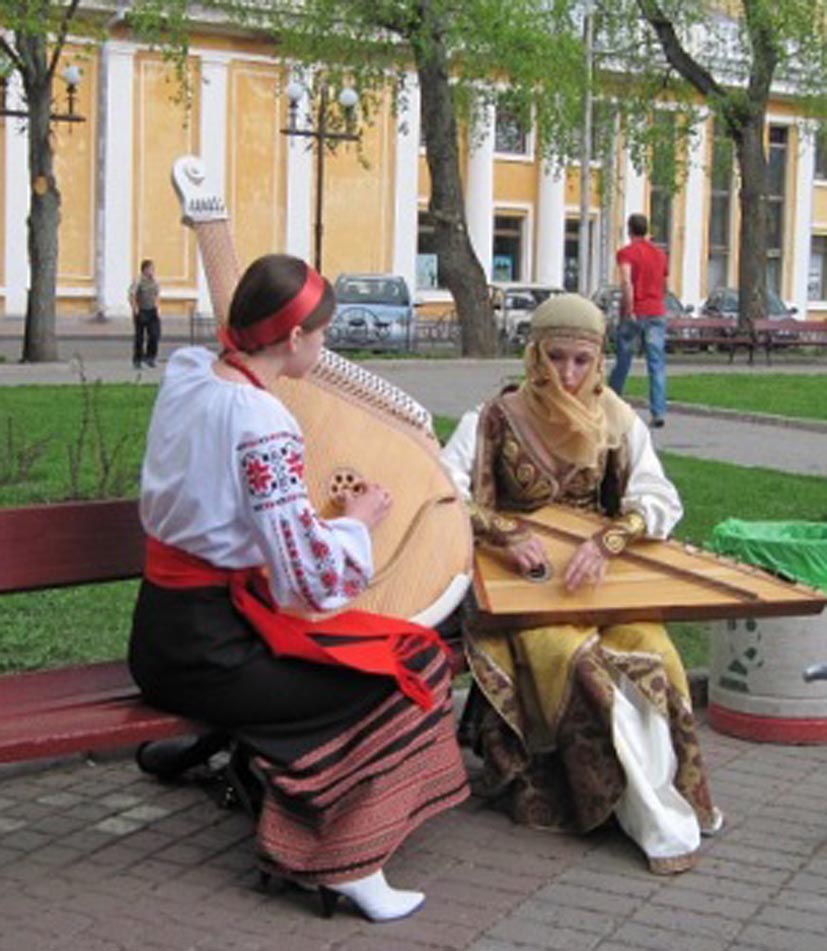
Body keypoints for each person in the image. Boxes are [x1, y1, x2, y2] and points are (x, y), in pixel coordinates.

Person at [128, 254, 468, 921]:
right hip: (213, 654)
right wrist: (358, 522)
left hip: (162, 634)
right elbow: (311, 578)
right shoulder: (263, 424)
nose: (324, 346)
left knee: (365, 654)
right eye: (321, 334)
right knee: (411, 668)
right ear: (291, 338)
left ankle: (276, 792)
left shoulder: (191, 375)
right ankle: (346, 858)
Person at [440, 293, 722, 875]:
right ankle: (637, 812)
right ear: (534, 355)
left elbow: (658, 497)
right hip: (523, 589)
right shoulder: (491, 418)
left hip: (598, 580)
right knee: (581, 666)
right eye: (556, 358)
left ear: (599, 361)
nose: (568, 375)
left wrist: (609, 541)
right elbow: (441, 493)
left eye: (581, 360)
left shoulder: (618, 421)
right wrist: (502, 533)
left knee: (656, 654)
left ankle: (659, 797)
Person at [608, 213, 669, 428]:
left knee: (624, 360)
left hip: (636, 310)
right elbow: (664, 285)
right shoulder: (660, 254)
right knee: (656, 363)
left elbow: (626, 282)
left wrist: (629, 308)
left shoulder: (626, 253)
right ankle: (658, 411)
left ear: (629, 230)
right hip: (656, 311)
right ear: (646, 229)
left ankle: (611, 403)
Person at [129, 259, 161, 369]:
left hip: (152, 311)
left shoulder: (155, 281)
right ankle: (137, 359)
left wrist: (157, 307)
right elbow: (132, 295)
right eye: (151, 269)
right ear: (145, 269)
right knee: (140, 337)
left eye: (153, 269)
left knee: (154, 335)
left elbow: (157, 294)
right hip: (141, 311)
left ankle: (150, 357)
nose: (152, 271)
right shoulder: (138, 281)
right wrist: (135, 308)